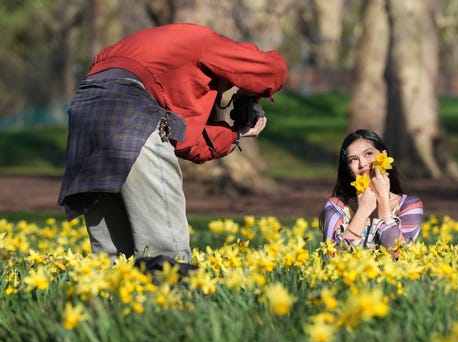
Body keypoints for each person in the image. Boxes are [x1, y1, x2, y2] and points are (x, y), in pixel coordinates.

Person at [57, 23, 288, 263]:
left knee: (112, 260)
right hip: (134, 114)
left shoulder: (131, 53)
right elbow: (271, 70)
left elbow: (184, 141)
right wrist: (250, 93)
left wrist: (235, 135)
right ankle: (172, 297)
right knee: (166, 256)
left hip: (84, 120)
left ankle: (111, 298)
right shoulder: (205, 41)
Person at [320, 129, 424, 256]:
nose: (362, 164)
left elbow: (401, 256)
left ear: (384, 155)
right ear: (348, 169)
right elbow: (332, 258)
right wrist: (363, 211)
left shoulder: (409, 206)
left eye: (368, 153)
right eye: (353, 159)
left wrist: (383, 201)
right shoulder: (337, 207)